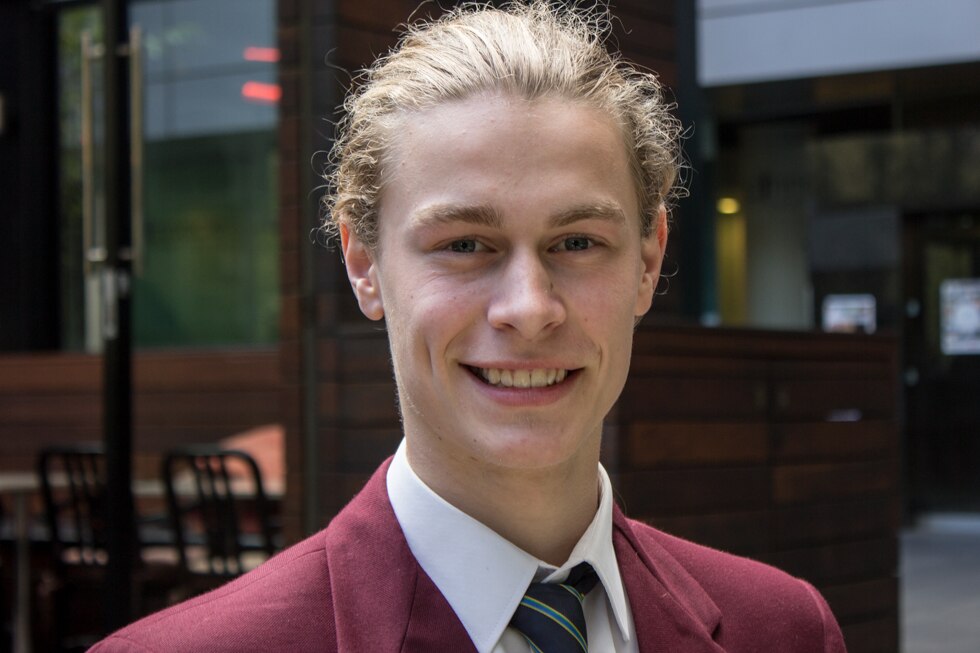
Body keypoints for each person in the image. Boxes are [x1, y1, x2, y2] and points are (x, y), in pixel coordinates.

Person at [90, 2, 847, 651]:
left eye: (577, 241)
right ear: (363, 263)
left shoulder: (785, 629)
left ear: (649, 258)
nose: (528, 306)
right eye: (464, 245)